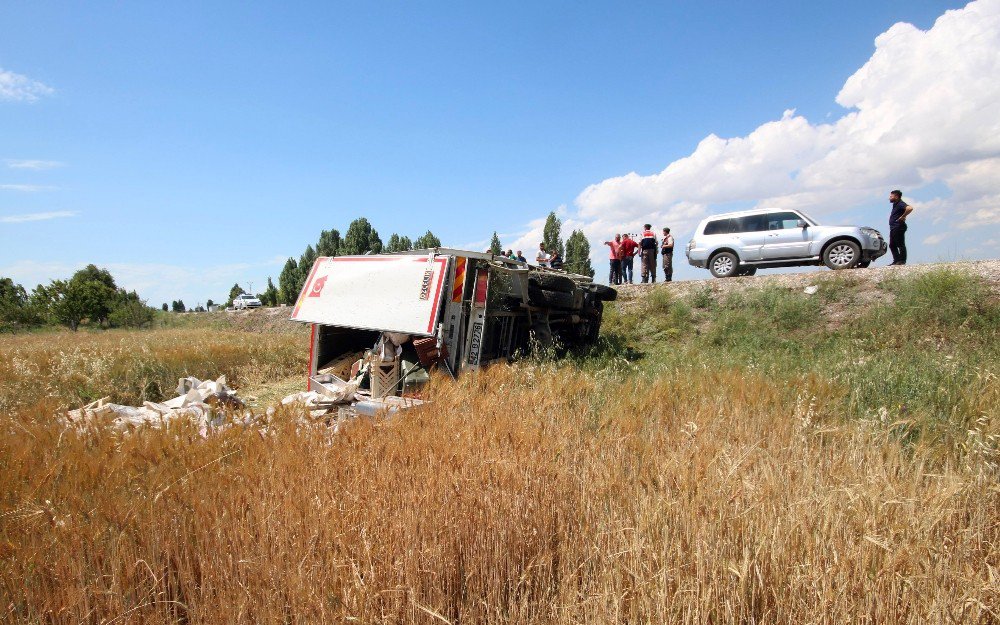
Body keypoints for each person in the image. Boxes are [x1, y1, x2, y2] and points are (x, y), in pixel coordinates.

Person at [887, 189, 913, 265]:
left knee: (900, 244)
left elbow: (910, 208)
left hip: (898, 226)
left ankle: (902, 261)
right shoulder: (895, 204)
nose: (889, 198)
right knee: (892, 245)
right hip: (894, 227)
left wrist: (903, 216)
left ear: (896, 196)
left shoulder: (900, 203)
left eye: (891, 196)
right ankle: (896, 260)